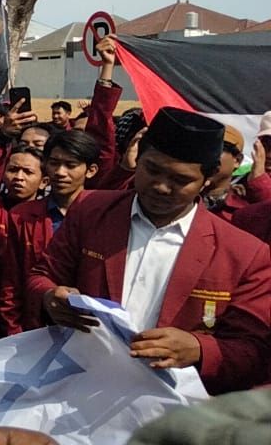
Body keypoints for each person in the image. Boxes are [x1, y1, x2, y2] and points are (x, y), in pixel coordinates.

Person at [29, 107, 271, 394]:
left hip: (173, 406)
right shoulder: (90, 211)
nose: (161, 187)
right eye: (152, 170)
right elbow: (41, 276)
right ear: (137, 158)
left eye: (180, 180)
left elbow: (254, 351)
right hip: (80, 387)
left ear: (207, 179)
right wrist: (50, 297)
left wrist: (199, 349)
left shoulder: (244, 254)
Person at [0, 131, 101, 334]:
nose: (60, 172)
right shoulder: (22, 215)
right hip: (37, 326)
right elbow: (12, 281)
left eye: (70, 165)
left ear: (91, 170)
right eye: (54, 163)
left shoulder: (104, 215)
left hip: (92, 327)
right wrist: (15, 331)